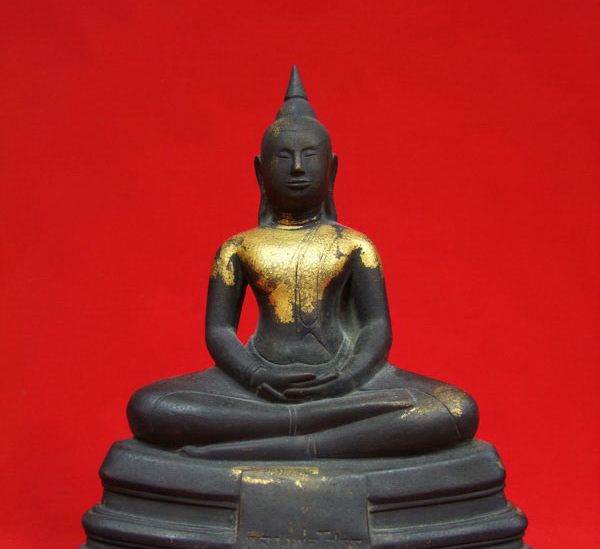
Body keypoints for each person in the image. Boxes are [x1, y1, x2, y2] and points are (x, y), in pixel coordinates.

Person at [127, 67, 478, 459]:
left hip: (345, 384)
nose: (297, 168)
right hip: (257, 387)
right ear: (260, 171)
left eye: (310, 157)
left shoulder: (354, 245)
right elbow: (220, 331)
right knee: (149, 407)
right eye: (284, 157)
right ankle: (314, 432)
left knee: (454, 408)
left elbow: (377, 327)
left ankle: (291, 439)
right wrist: (255, 376)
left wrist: (348, 378)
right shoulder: (238, 248)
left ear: (332, 168)